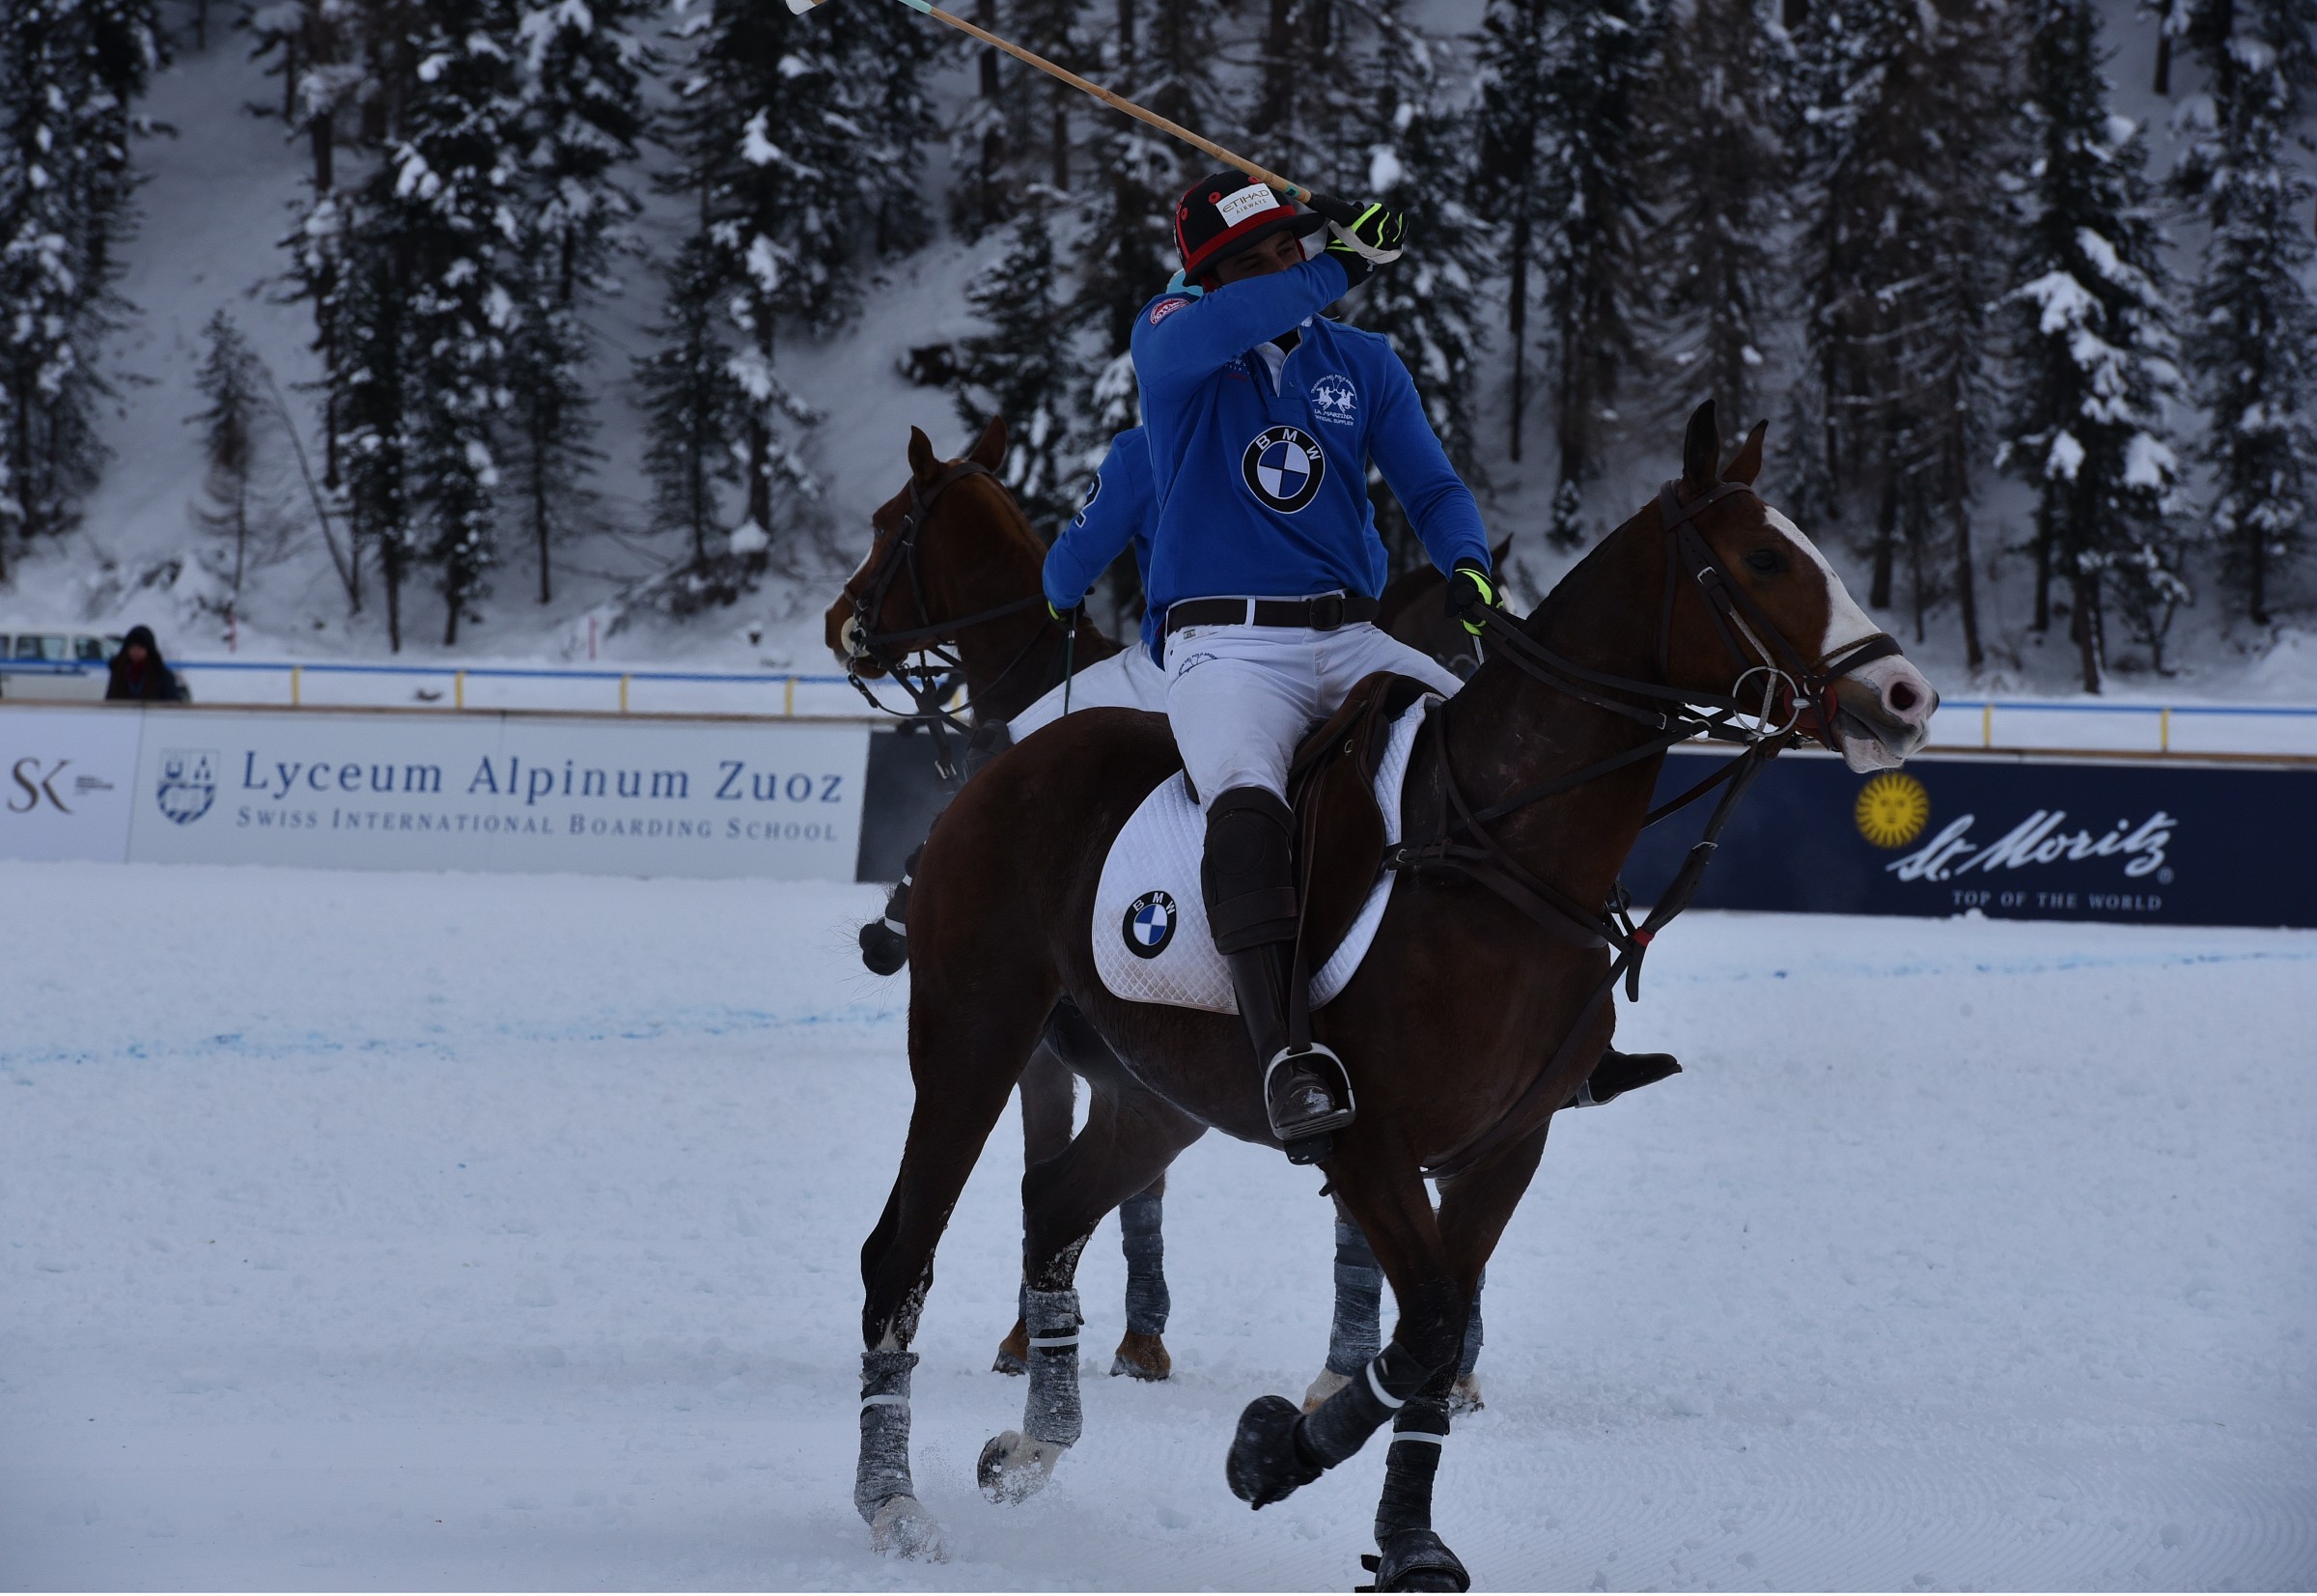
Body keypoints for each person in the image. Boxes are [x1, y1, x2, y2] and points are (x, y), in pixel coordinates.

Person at [1117, 173, 1497, 1162]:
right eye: (1246, 264)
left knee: (1495, 751)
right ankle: (1286, 1054)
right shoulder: (1173, 339)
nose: (1276, 271)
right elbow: (1226, 318)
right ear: (1206, 281)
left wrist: (1467, 562)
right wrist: (1335, 265)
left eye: (1285, 249)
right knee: (1247, 796)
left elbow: (1431, 480)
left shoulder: (1362, 362)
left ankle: (1543, 1013)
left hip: (1346, 633)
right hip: (1224, 645)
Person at [1012, 425, 1170, 740]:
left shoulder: (1147, 448)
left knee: (1018, 740)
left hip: (1186, 658)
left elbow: (1071, 567)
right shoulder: (1294, 429)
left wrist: (1060, 602)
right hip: (1297, 652)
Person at [104, 625, 186, 703]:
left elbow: (171, 706)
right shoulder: (118, 671)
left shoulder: (162, 675)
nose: (136, 651)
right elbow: (110, 703)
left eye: (140, 647)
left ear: (149, 649)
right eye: (132, 647)